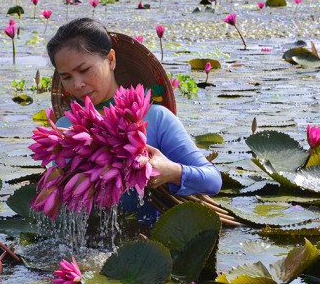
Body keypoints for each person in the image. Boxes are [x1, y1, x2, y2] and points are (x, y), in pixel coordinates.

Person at [46, 17, 222, 223]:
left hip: (155, 240)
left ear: (111, 59)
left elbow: (213, 180)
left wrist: (171, 171)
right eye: (66, 77)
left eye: (84, 70)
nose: (77, 84)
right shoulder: (65, 130)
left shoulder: (156, 118)